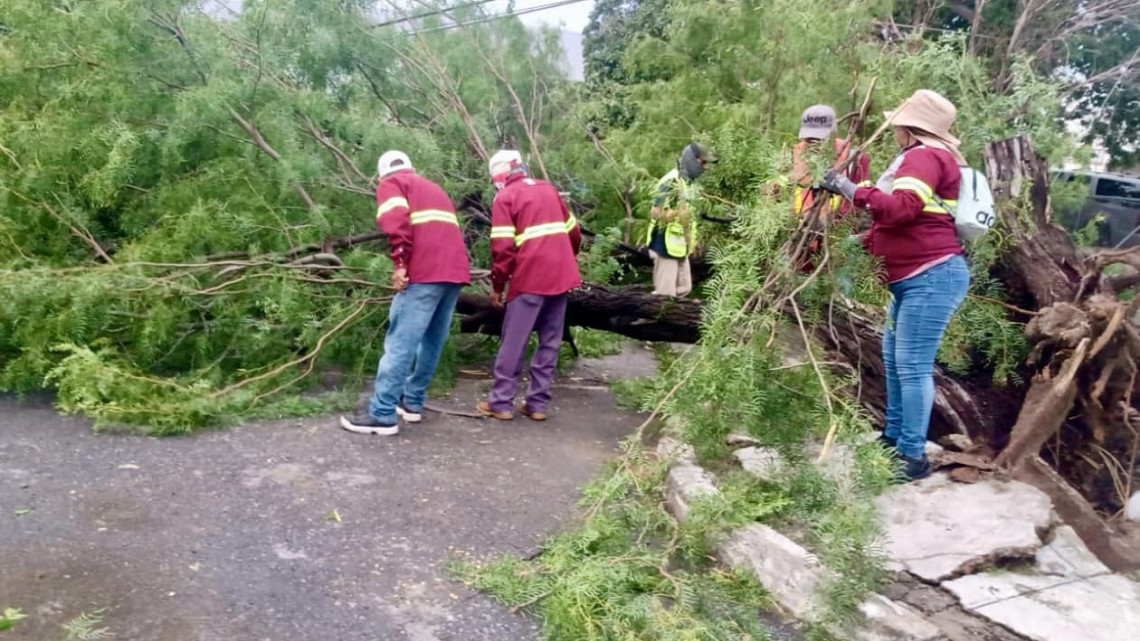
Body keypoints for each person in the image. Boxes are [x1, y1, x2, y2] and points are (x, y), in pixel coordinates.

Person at [820, 89, 971, 480]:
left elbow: (903, 209)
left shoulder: (924, 156)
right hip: (914, 279)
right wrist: (855, 242)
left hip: (930, 277)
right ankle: (894, 437)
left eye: (897, 124)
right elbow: (911, 222)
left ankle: (912, 456)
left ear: (910, 127)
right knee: (895, 360)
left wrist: (847, 188)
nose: (894, 130)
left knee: (913, 367)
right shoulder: (928, 157)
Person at [340, 151, 471, 436]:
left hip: (424, 273)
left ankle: (382, 414)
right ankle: (412, 402)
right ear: (411, 167)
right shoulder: (434, 188)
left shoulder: (392, 184)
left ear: (382, 173)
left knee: (401, 342)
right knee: (432, 341)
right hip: (454, 272)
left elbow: (397, 221)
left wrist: (400, 263)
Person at [477, 150, 582, 421]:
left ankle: (501, 402)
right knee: (550, 340)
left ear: (499, 177)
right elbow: (574, 232)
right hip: (561, 276)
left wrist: (498, 285)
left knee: (515, 340)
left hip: (530, 277)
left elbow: (503, 248)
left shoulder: (505, 197)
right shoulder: (548, 189)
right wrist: (565, 258)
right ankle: (538, 404)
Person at [646, 143, 715, 297]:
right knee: (665, 296)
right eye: (703, 162)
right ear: (692, 160)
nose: (706, 167)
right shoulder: (672, 181)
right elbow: (656, 213)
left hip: (679, 247)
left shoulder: (688, 184)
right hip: (664, 245)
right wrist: (678, 213)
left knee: (684, 289)